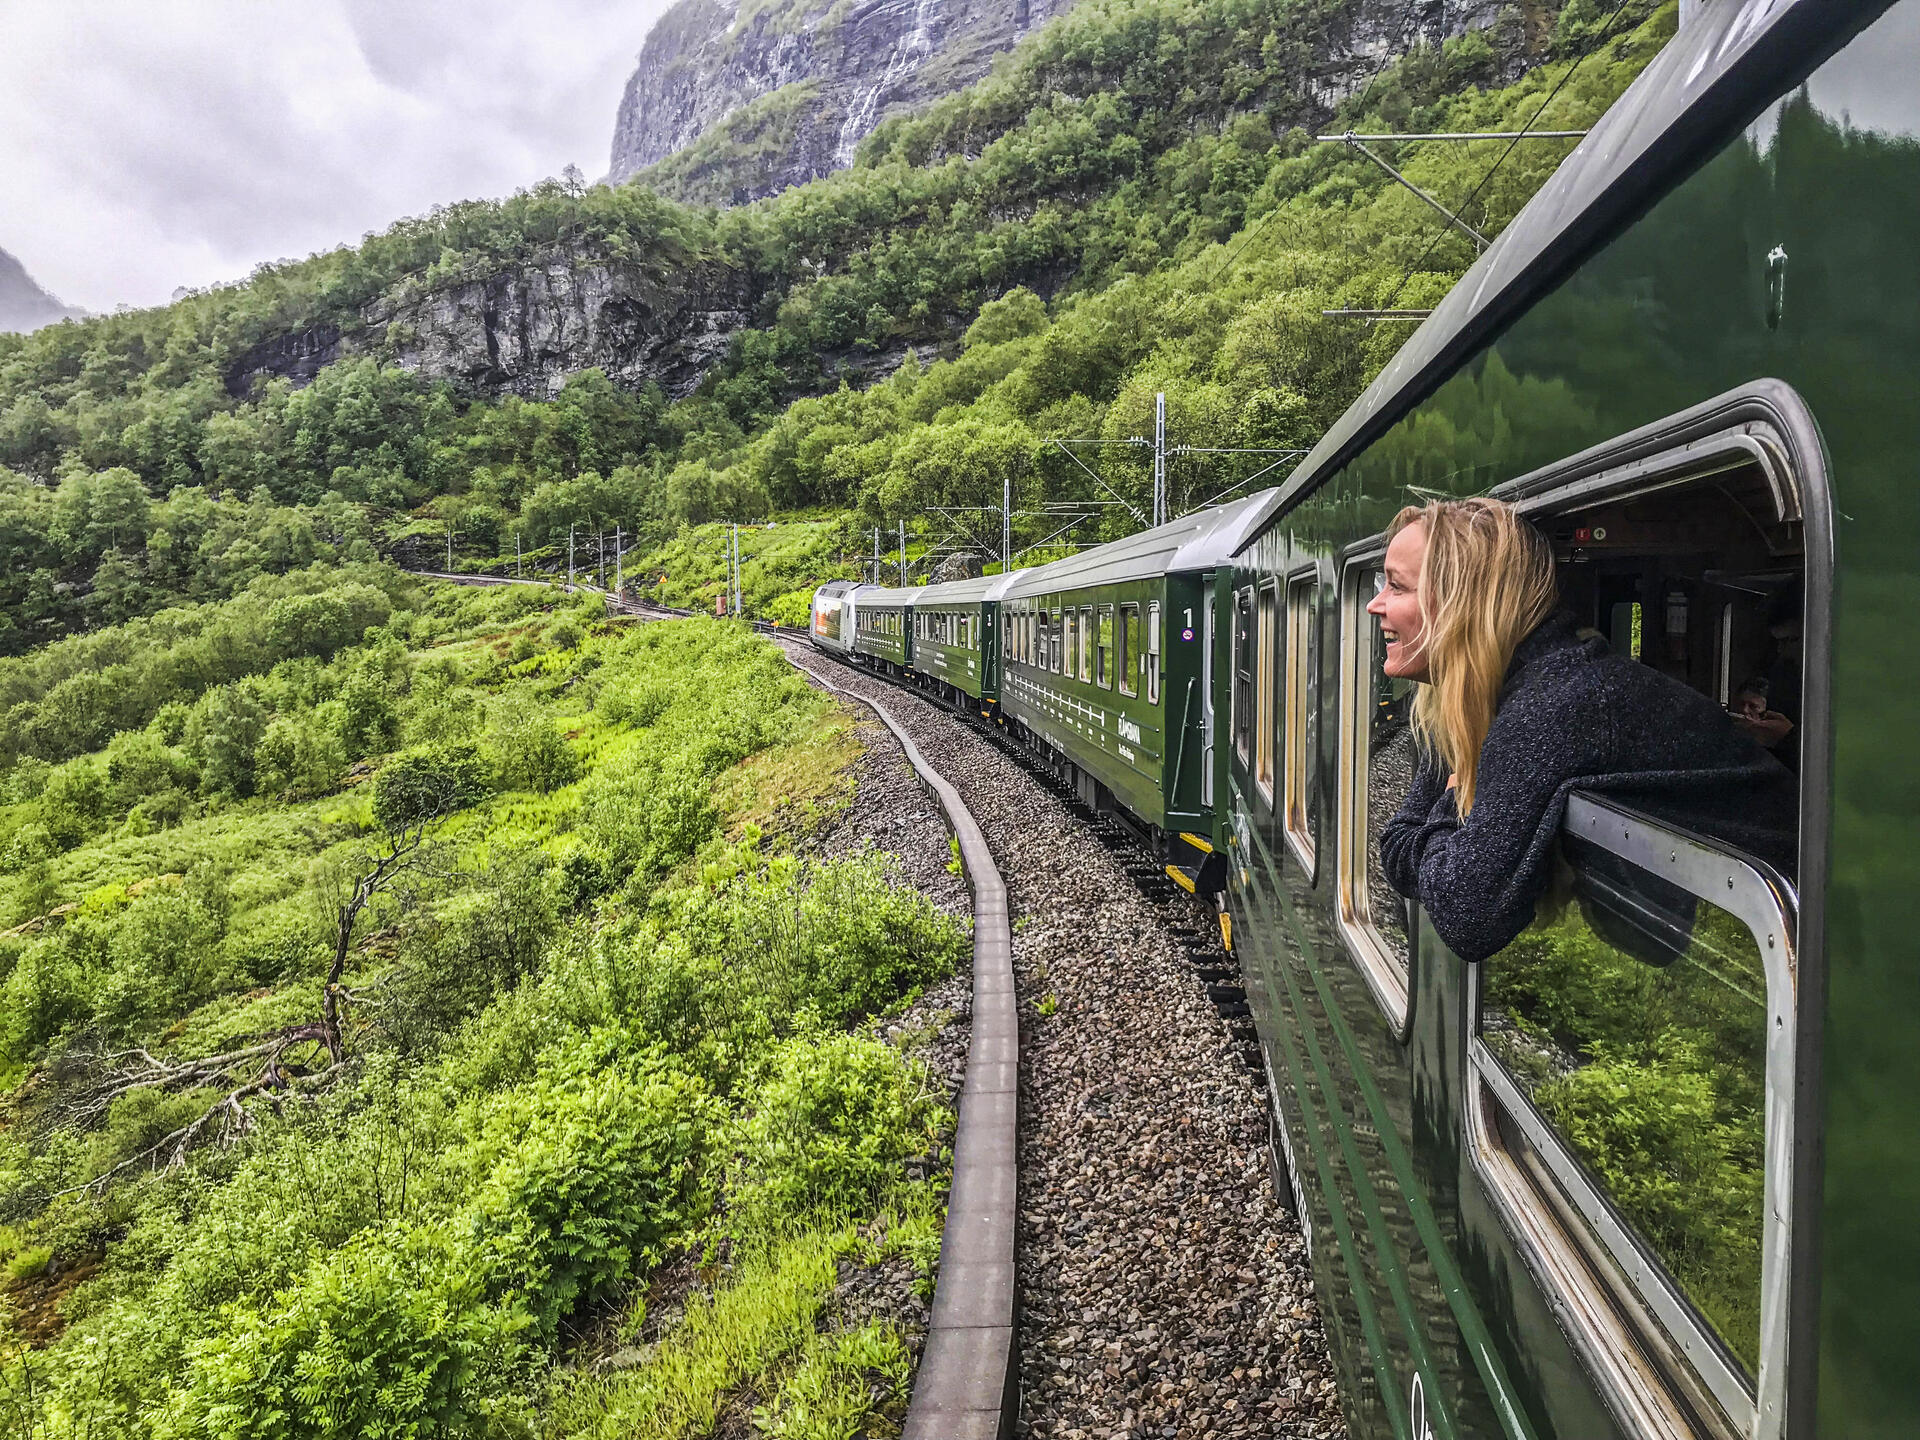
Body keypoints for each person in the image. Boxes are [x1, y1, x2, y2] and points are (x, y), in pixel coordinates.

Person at [1373, 498, 1799, 963]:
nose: (1376, 605)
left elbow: (1466, 916)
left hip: (1800, 928)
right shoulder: (1487, 695)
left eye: (1397, 586)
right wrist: (1454, 825)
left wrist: (1455, 813)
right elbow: (1395, 845)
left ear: (1464, 604)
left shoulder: (1556, 702)